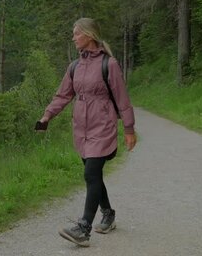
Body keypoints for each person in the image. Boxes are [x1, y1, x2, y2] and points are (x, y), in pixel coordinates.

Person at [38, 17, 137, 247]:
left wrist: (129, 129)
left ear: (89, 36)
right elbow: (63, 95)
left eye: (76, 33)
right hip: (81, 129)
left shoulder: (108, 64)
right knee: (93, 174)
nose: (73, 37)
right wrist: (47, 116)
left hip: (102, 126)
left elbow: (122, 99)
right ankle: (108, 214)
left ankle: (83, 228)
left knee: (91, 174)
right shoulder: (75, 66)